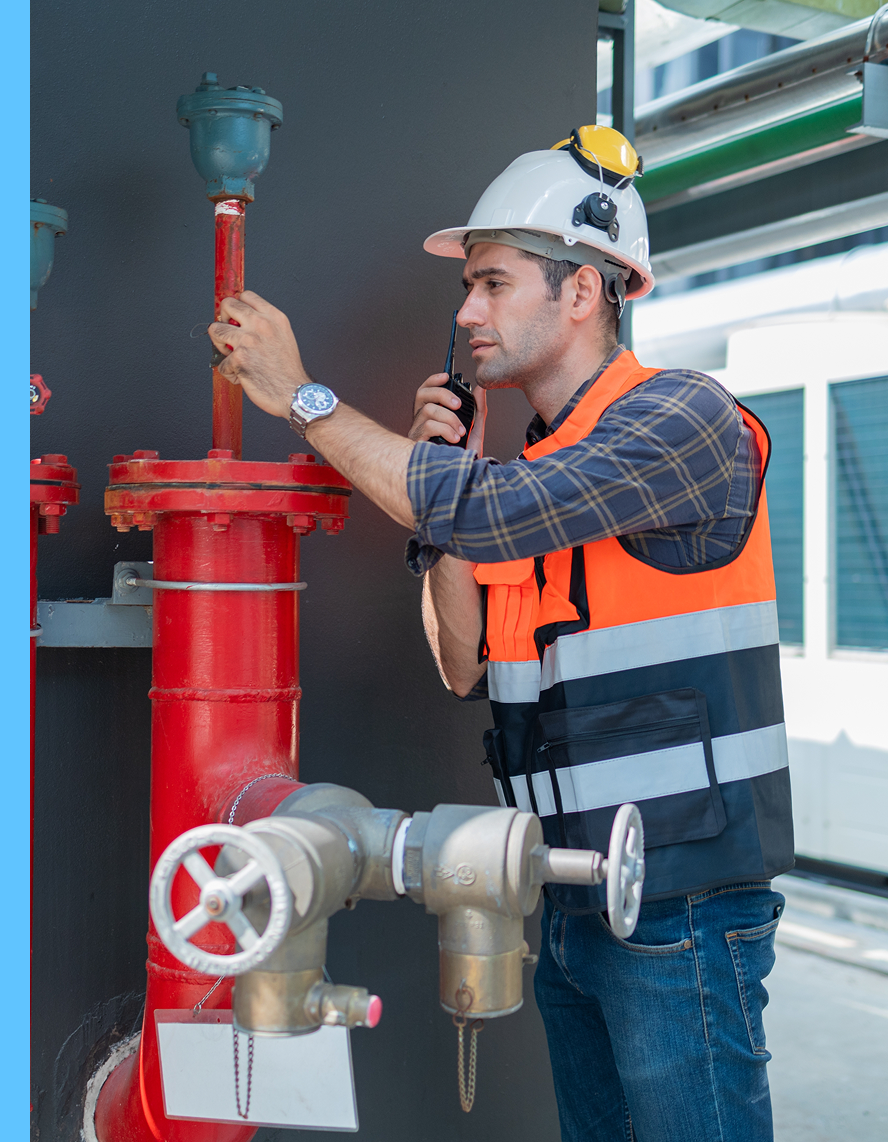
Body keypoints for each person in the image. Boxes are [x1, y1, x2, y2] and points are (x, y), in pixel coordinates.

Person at [209, 125, 794, 1142]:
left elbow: (488, 514)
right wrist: (444, 495)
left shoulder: (682, 421)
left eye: (492, 283)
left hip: (683, 907)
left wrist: (304, 400)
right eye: (466, 287)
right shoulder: (525, 473)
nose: (466, 312)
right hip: (568, 894)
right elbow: (460, 659)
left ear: (583, 290)